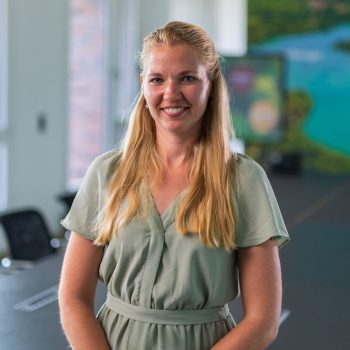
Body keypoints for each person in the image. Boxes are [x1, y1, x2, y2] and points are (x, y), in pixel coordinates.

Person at [58, 21, 289, 350]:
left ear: (211, 85)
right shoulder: (106, 173)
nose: (171, 93)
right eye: (157, 79)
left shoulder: (243, 180)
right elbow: (73, 298)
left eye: (188, 78)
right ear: (143, 85)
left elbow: (262, 321)